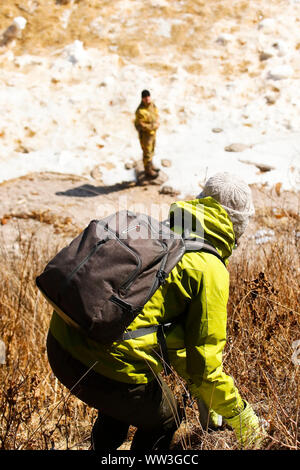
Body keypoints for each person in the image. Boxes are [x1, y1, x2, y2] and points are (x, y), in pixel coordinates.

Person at [46, 172, 267, 451]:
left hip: (60, 343)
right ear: (238, 224)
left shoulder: (160, 230)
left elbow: (166, 336)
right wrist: (239, 413)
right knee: (167, 419)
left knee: (124, 403)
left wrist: (205, 395)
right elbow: (206, 365)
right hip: (100, 367)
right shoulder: (209, 269)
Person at [134, 89, 160, 178]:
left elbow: (156, 114)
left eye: (148, 96)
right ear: (142, 99)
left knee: (152, 150)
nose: (147, 99)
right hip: (146, 135)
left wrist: (157, 123)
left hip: (152, 133)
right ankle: (148, 170)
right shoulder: (140, 111)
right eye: (145, 97)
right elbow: (142, 125)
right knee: (147, 152)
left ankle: (151, 166)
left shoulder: (152, 105)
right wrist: (154, 126)